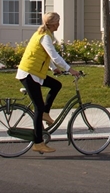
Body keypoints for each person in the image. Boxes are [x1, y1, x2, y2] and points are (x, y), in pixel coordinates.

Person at [16, 12, 81, 154]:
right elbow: (54, 55)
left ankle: (46, 113)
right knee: (37, 107)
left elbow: (46, 55)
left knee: (56, 85)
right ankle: (38, 143)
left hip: (34, 73)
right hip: (29, 74)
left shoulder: (45, 34)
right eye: (57, 22)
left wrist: (53, 68)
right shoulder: (45, 36)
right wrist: (70, 69)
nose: (59, 24)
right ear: (51, 24)